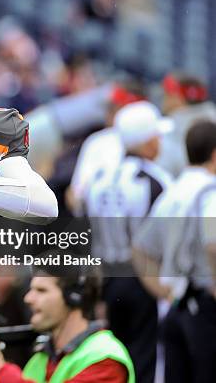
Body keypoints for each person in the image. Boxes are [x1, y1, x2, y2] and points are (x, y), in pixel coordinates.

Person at [84, 101, 172, 383]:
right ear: (147, 142)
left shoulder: (99, 177)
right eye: (156, 136)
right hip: (143, 280)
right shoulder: (156, 179)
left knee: (114, 358)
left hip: (107, 278)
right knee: (144, 361)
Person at [132, 119, 216, 383]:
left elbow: (139, 250)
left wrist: (164, 291)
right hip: (204, 307)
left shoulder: (172, 191)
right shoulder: (210, 190)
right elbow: (213, 243)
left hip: (175, 308)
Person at [0, 267, 135, 383]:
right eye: (31, 290)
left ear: (74, 297)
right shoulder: (40, 360)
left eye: (41, 291)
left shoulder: (105, 359)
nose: (28, 298)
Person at [67, 79, 147, 215]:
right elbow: (75, 194)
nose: (107, 114)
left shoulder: (150, 138)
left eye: (113, 108)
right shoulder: (98, 141)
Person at [156, 72, 216, 177]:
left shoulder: (173, 135)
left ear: (177, 97)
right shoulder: (171, 128)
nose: (163, 99)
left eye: (167, 94)